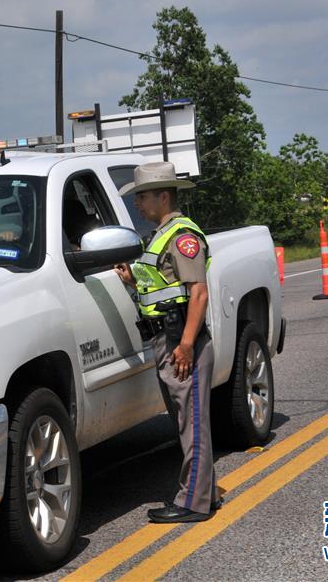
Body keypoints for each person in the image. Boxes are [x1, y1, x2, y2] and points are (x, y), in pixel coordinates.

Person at [113, 161, 220, 523]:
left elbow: (199, 294)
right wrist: (132, 281)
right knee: (188, 422)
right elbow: (163, 289)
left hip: (180, 342)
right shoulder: (160, 235)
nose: (138, 204)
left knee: (193, 424)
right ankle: (204, 494)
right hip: (167, 339)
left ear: (163, 195)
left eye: (142, 196)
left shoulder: (182, 236)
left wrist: (186, 344)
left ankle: (193, 503)